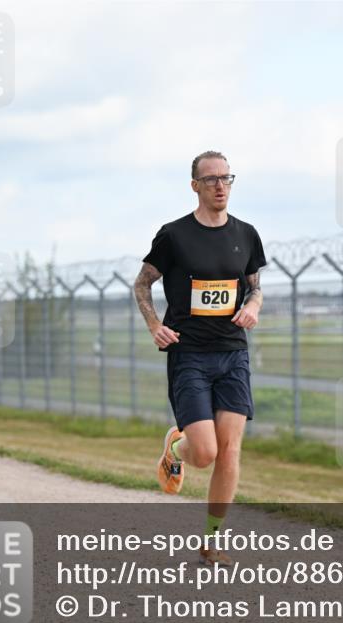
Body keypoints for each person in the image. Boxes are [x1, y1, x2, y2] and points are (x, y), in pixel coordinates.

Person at [133, 150, 266, 566]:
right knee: (205, 452)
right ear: (195, 186)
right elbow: (141, 285)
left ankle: (211, 542)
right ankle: (176, 448)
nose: (220, 185)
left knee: (230, 453)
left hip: (232, 353)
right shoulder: (174, 235)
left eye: (226, 178)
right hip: (189, 354)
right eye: (210, 179)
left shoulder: (246, 233)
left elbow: (254, 287)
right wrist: (156, 325)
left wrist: (254, 306)